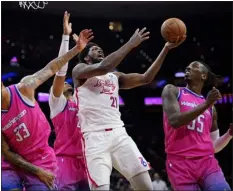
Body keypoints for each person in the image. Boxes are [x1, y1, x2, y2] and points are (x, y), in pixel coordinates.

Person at [72, 28, 185, 190]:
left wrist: (165, 49)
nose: (99, 50)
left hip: (119, 134)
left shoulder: (115, 77)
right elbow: (104, 67)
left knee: (146, 185)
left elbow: (146, 78)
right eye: (94, 49)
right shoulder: (79, 70)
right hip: (94, 137)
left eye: (100, 48)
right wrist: (131, 44)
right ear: (86, 57)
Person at [1, 17, 94, 191]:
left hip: (45, 157)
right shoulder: (57, 100)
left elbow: (53, 68)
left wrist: (78, 49)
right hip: (17, 162)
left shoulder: (24, 88)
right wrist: (68, 41)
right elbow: (57, 71)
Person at [162, 60, 232, 190]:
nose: (188, 67)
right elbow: (175, 121)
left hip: (207, 162)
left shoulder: (211, 109)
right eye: (187, 66)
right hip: (179, 164)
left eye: (194, 66)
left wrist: (229, 134)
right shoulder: (172, 91)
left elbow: (214, 146)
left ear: (203, 76)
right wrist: (205, 104)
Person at [48, 12, 89, 191]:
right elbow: (60, 71)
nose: (65, 82)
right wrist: (66, 37)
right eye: (61, 83)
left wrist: (83, 49)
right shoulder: (58, 103)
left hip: (87, 161)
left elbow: (95, 67)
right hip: (65, 162)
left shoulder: (81, 100)